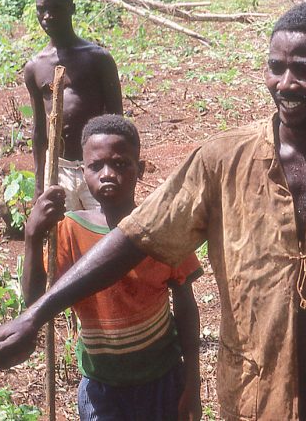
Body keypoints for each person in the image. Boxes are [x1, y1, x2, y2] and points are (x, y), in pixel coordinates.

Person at [0, 1, 306, 421]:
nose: (285, 83)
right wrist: (37, 313)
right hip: (253, 397)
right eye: (276, 67)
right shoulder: (222, 161)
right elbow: (137, 236)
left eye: (305, 70)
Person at [22, 115, 202, 420]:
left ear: (140, 170)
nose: (108, 174)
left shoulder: (160, 228)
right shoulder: (69, 232)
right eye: (96, 166)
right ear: (82, 172)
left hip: (162, 378)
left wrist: (193, 381)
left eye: (121, 164)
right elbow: (34, 303)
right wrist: (32, 236)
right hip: (101, 386)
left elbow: (185, 305)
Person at [25, 0, 122, 209]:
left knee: (105, 234)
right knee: (64, 235)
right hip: (58, 168)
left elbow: (117, 120)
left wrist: (119, 167)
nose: (47, 16)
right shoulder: (35, 67)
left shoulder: (98, 59)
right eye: (41, 10)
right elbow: (39, 131)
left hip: (98, 165)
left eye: (55, 9)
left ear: (72, 9)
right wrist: (40, 184)